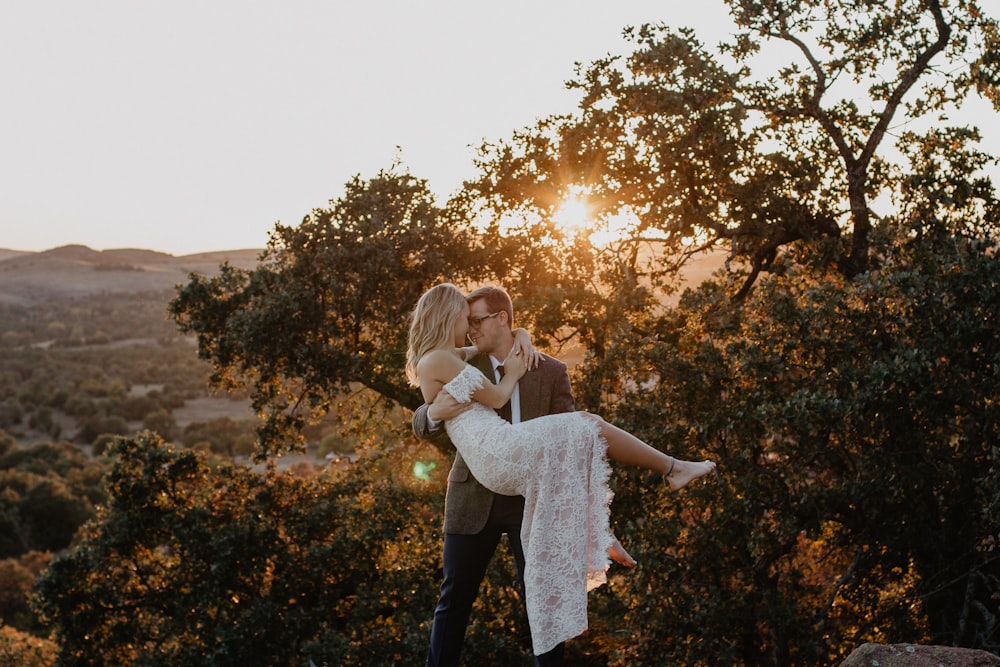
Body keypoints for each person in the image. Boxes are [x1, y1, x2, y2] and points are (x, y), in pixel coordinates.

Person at [407, 283, 716, 658]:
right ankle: (671, 468)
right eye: (466, 321)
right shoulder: (462, 360)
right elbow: (424, 414)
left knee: (546, 591)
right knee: (454, 599)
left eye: (477, 321)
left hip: (535, 489)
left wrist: (520, 334)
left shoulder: (549, 369)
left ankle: (632, 504)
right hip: (477, 493)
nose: (471, 329)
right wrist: (433, 413)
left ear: (501, 318)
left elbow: (571, 451)